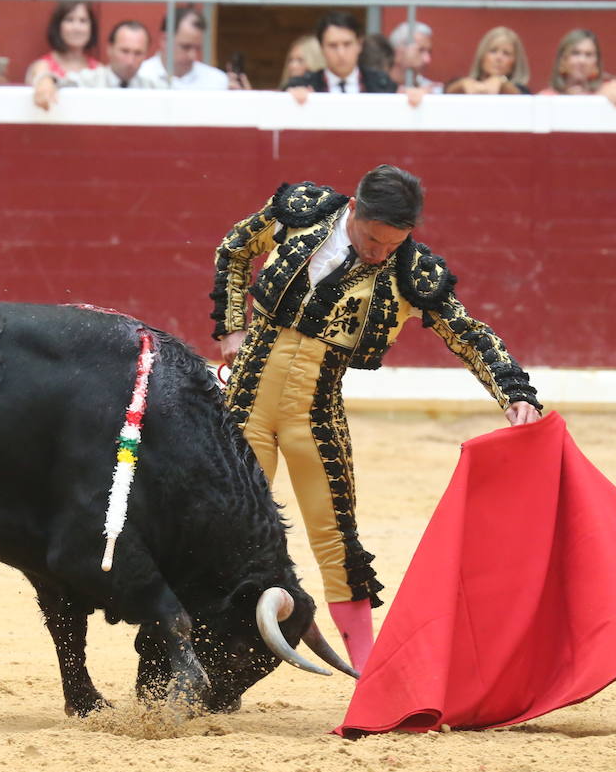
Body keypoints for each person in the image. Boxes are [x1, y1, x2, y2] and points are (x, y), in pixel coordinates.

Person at [210, 165, 542, 672]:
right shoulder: (303, 211)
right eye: (372, 239)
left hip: (314, 418)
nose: (379, 252)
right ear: (353, 212)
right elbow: (233, 250)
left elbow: (468, 333)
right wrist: (232, 328)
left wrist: (514, 392)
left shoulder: (411, 270)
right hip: (244, 406)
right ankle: (197, 649)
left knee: (337, 538)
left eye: (392, 244)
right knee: (222, 533)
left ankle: (368, 669)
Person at [32, 20, 167, 109]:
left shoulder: (156, 88)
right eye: (124, 51)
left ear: (146, 54)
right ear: (110, 49)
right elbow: (55, 81)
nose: (130, 60)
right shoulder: (89, 80)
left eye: (138, 53)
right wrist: (45, 80)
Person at [285, 11, 401, 102]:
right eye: (333, 46)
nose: (341, 53)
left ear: (359, 45)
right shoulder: (302, 85)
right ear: (322, 48)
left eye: (347, 44)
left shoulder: (382, 84)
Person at [137, 5, 228, 90]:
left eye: (197, 48)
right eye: (186, 47)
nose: (193, 55)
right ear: (164, 40)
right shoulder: (139, 77)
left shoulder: (217, 81)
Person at [537, 28, 616, 108]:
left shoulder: (610, 88)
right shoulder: (546, 97)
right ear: (563, 59)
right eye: (575, 53)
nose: (582, 61)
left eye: (588, 55)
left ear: (596, 61)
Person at [23, 0, 99, 85]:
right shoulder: (42, 67)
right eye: (69, 20)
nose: (77, 28)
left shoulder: (99, 69)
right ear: (58, 27)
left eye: (83, 21)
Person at [446, 26, 531, 94]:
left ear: (515, 62)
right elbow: (445, 93)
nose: (498, 58)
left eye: (506, 53)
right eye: (493, 51)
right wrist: (462, 85)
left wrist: (502, 84)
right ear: (482, 55)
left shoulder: (523, 92)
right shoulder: (462, 85)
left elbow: (522, 96)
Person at [388, 19, 441, 92]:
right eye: (420, 50)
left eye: (429, 52)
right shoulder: (374, 88)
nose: (427, 60)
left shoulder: (432, 91)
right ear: (397, 52)